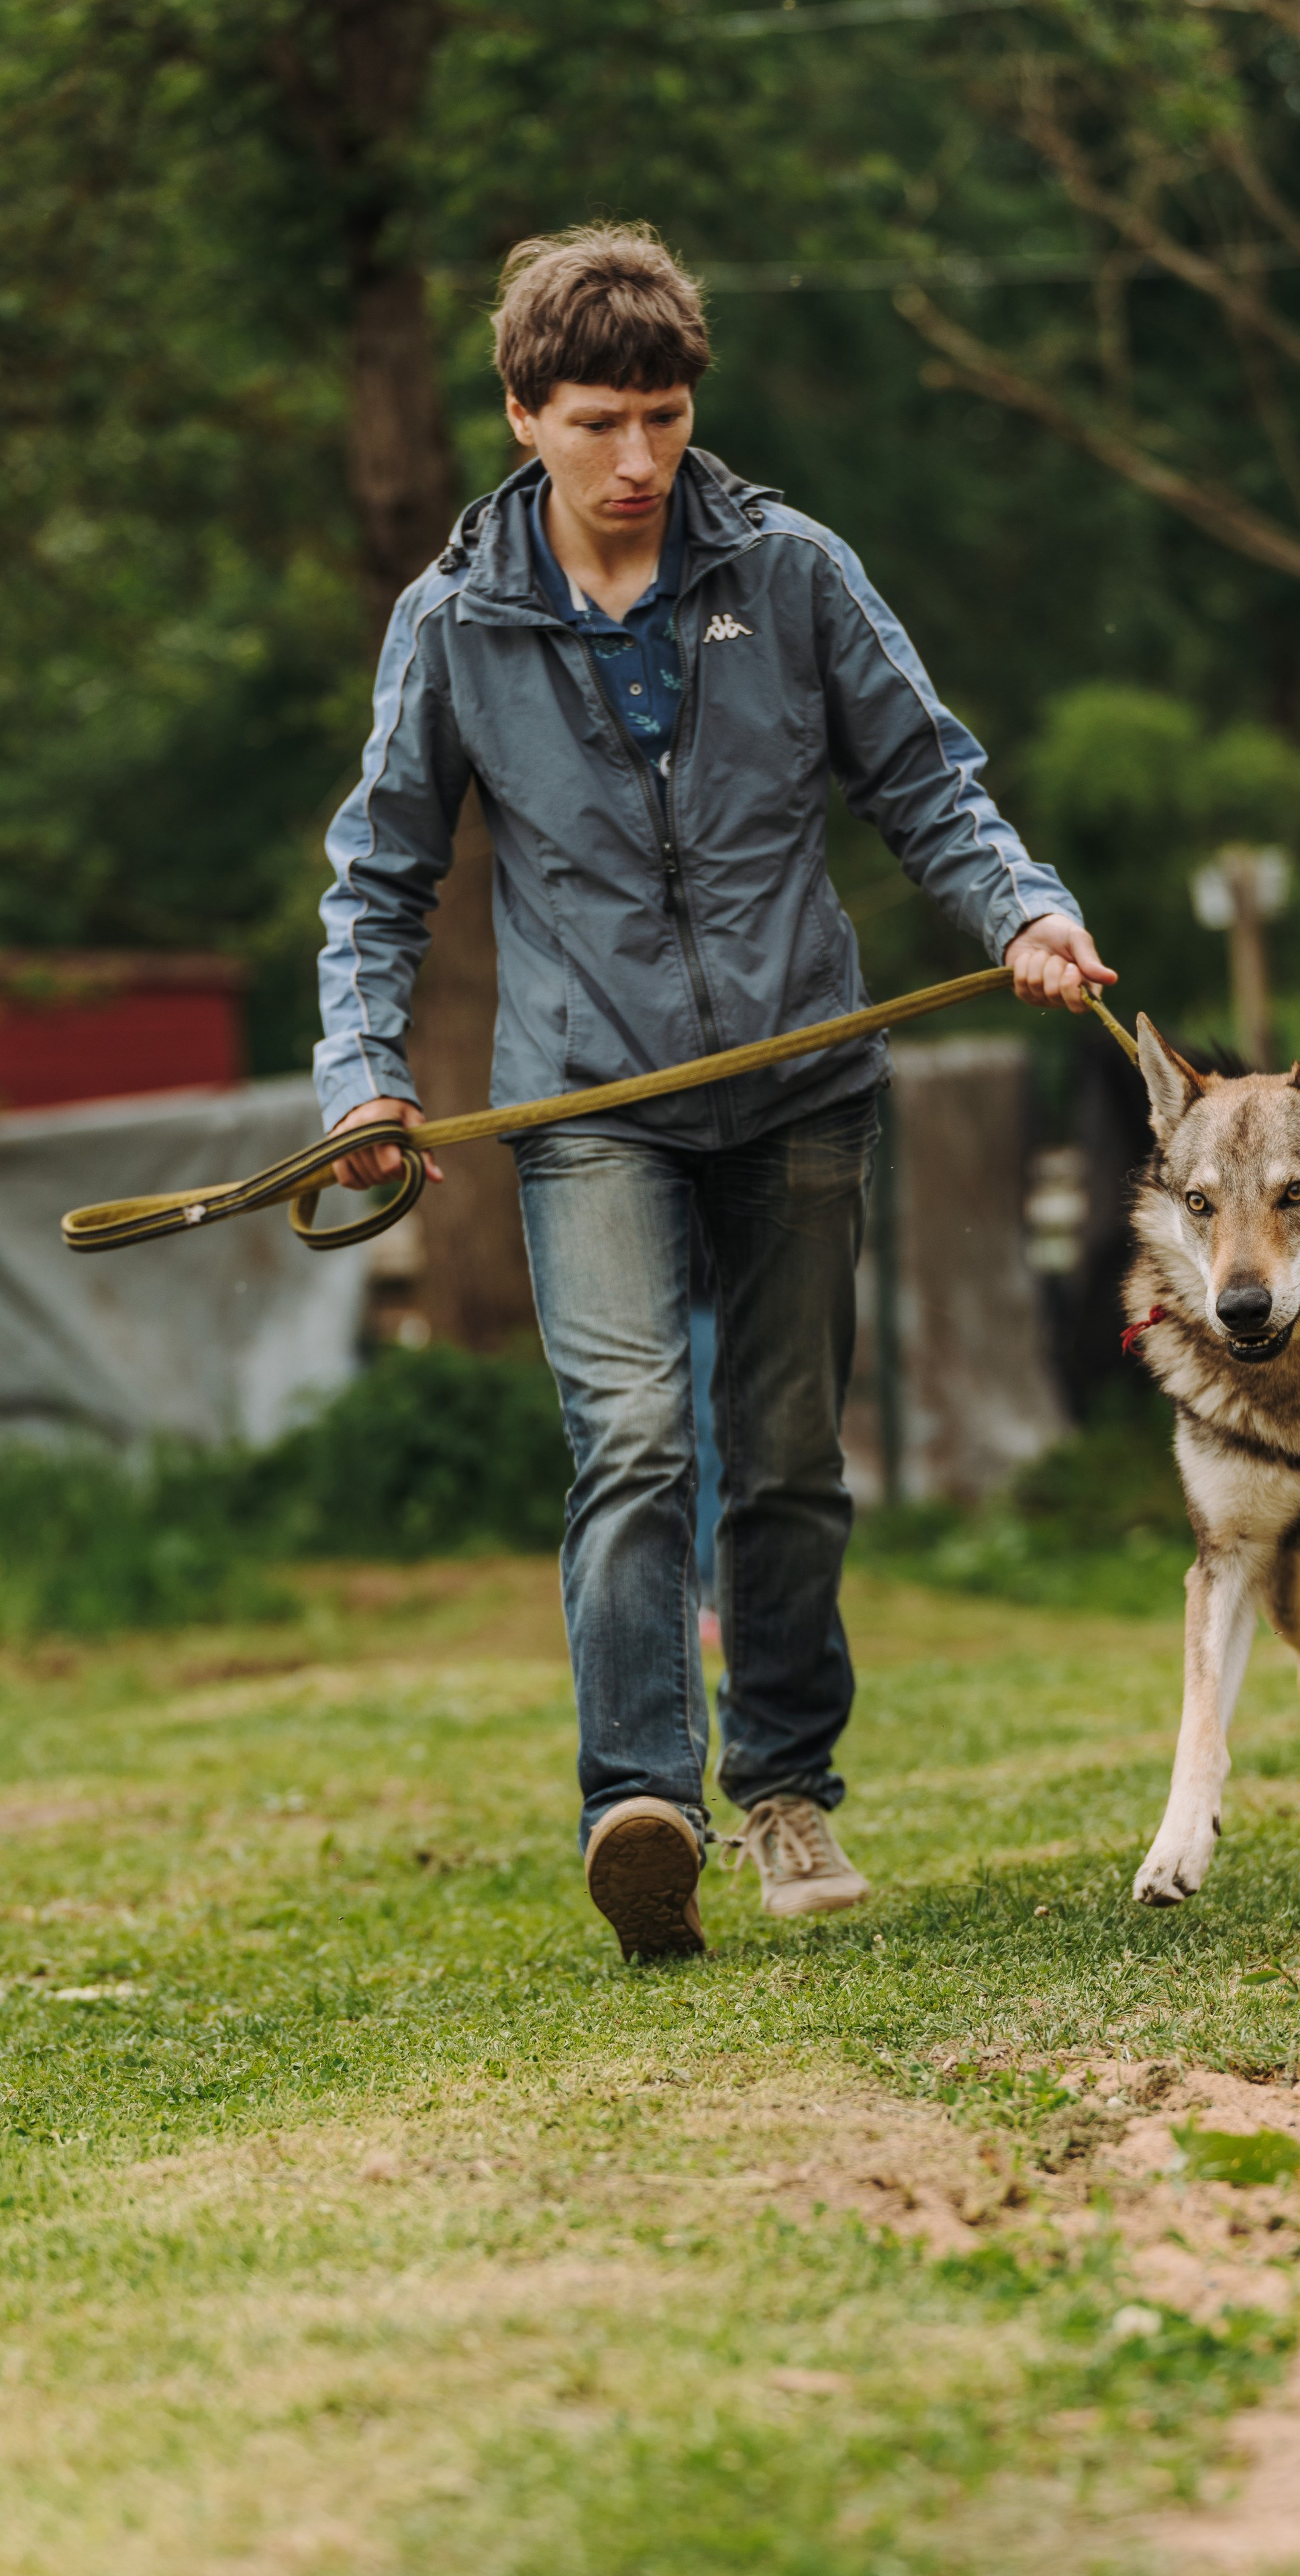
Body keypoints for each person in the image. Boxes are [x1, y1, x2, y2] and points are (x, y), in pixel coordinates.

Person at [313, 224, 1113, 1961]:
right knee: (629, 1444)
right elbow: (378, 879)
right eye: (598, 421)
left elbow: (931, 782)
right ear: (521, 413)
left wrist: (1026, 910)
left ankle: (786, 1789)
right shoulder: (455, 624)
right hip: (586, 1102)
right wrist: (366, 1078)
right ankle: (638, 1808)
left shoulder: (796, 573)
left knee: (786, 1460)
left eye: (664, 418)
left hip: (800, 1081)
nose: (637, 462)